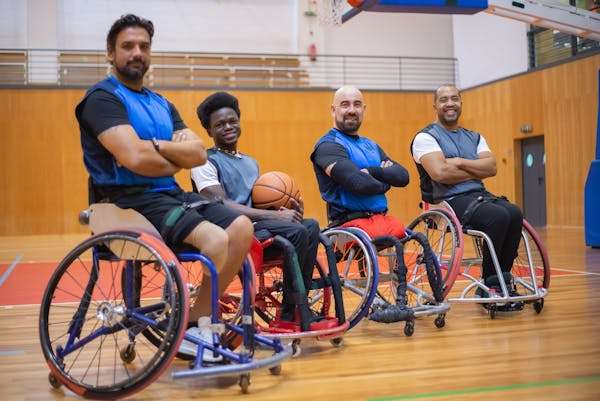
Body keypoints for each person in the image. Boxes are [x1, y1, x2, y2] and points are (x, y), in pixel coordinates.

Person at [74, 14, 254, 360]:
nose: (136, 52)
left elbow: (199, 153)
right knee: (215, 239)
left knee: (242, 228)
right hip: (124, 201)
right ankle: (193, 328)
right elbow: (133, 158)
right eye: (127, 46)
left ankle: (191, 323)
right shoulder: (102, 99)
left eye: (143, 46)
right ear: (111, 53)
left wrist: (153, 147)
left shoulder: (162, 104)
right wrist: (172, 155)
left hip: (167, 196)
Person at [191, 91, 320, 323]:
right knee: (298, 231)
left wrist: (285, 210)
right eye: (220, 124)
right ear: (209, 131)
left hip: (258, 230)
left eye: (232, 121)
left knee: (310, 225)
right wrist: (277, 218)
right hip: (230, 233)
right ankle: (291, 314)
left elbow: (259, 203)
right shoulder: (204, 162)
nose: (228, 127)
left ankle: (298, 303)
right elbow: (222, 204)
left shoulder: (251, 162)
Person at [411, 84, 523, 310]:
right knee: (497, 217)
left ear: (461, 102)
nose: (450, 103)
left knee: (514, 213)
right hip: (447, 200)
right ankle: (490, 283)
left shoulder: (474, 137)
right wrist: (474, 169)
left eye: (454, 98)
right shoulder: (425, 137)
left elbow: (491, 168)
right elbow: (440, 173)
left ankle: (503, 278)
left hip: (479, 195)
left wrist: (460, 162)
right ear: (435, 106)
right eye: (444, 100)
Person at [310, 85, 413, 320]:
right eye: (345, 105)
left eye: (357, 104)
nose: (351, 110)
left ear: (364, 109)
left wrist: (372, 172)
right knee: (394, 241)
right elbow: (358, 183)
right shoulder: (328, 145)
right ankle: (395, 302)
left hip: (380, 220)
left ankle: (410, 297)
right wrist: (384, 181)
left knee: (417, 239)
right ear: (333, 110)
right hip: (349, 224)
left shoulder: (370, 145)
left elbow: (403, 176)